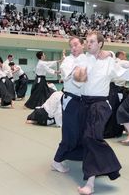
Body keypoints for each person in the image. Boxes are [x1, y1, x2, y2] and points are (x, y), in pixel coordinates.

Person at [74, 32, 129, 195]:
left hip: (100, 104)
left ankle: (91, 182)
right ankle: (97, 173)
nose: (89, 44)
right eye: (87, 41)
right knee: (88, 139)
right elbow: (77, 75)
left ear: (100, 44)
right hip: (84, 103)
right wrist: (78, 76)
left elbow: (123, 73)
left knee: (91, 137)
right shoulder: (83, 58)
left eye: (92, 41)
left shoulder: (109, 61)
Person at [52, 37, 87, 173]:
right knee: (70, 131)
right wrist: (77, 68)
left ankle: (77, 155)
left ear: (82, 45)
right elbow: (66, 73)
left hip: (84, 100)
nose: (73, 48)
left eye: (76, 45)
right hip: (71, 99)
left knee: (82, 131)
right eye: (71, 46)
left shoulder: (88, 58)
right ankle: (56, 160)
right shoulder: (68, 60)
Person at [104, 51, 127, 138]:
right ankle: (112, 131)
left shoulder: (111, 64)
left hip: (111, 88)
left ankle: (111, 130)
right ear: (120, 55)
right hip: (115, 88)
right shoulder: (119, 63)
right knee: (114, 110)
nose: (125, 58)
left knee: (111, 109)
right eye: (124, 56)